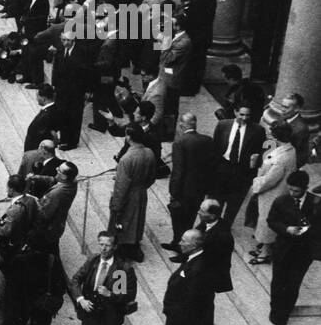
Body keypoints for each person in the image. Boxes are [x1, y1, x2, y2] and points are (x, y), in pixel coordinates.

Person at [70, 232, 137, 325]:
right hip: (90, 309)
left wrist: (110, 294)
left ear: (114, 247)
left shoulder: (121, 268)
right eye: (101, 244)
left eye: (107, 245)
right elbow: (76, 280)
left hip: (109, 313)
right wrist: (81, 299)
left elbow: (127, 295)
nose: (104, 248)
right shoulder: (93, 261)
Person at [267, 170, 320, 325]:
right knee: (277, 283)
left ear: (305, 188)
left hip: (303, 252)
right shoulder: (282, 201)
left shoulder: (316, 204)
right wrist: (286, 229)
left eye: (296, 191)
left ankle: (283, 318)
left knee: (292, 286)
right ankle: (275, 312)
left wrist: (308, 231)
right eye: (290, 189)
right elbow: (272, 221)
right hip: (282, 249)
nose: (292, 193)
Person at [248, 122, 298, 263]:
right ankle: (264, 248)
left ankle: (264, 254)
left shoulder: (281, 157)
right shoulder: (289, 150)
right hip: (275, 192)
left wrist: (256, 185)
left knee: (266, 222)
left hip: (272, 193)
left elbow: (271, 179)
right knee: (265, 221)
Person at [165, 113, 215, 250]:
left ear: (181, 125)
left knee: (178, 219)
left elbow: (178, 170)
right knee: (190, 217)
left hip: (183, 190)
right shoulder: (207, 140)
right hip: (199, 189)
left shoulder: (180, 142)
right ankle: (178, 243)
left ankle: (180, 246)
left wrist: (173, 192)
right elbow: (210, 165)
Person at [110, 123, 157, 262]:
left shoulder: (126, 158)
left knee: (123, 220)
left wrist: (116, 205)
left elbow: (121, 186)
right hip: (141, 191)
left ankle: (124, 249)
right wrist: (141, 187)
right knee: (137, 220)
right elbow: (152, 177)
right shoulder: (149, 152)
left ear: (129, 137)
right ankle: (134, 245)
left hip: (128, 193)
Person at [211, 105, 265, 226]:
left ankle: (226, 226)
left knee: (234, 203)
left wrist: (255, 163)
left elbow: (260, 150)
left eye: (247, 115)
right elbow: (215, 147)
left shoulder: (257, 130)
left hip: (242, 171)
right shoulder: (223, 125)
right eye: (242, 114)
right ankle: (213, 224)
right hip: (223, 168)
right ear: (235, 112)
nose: (245, 118)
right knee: (217, 200)